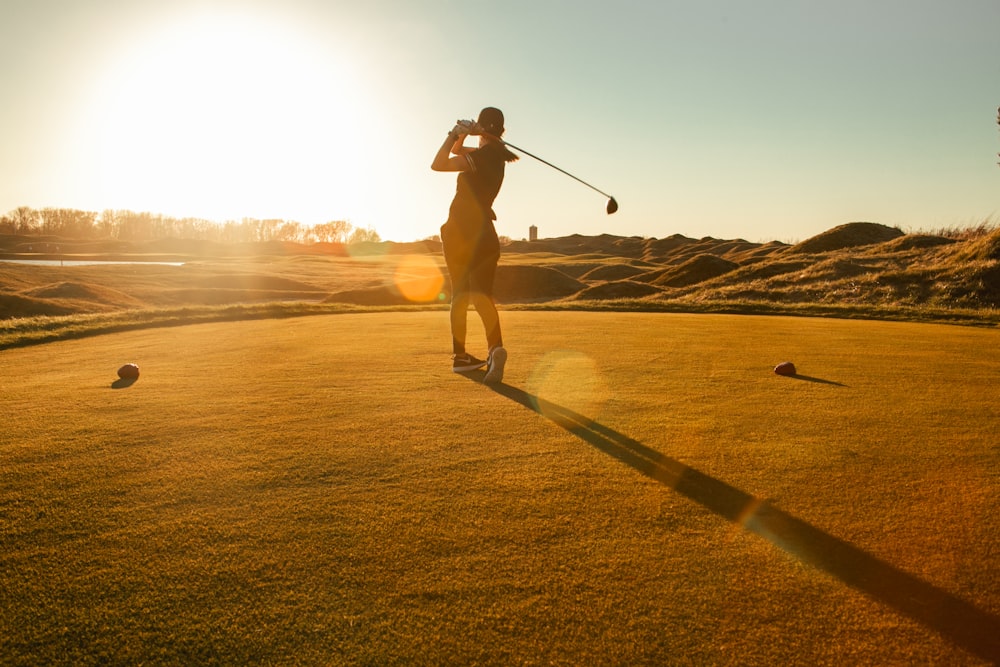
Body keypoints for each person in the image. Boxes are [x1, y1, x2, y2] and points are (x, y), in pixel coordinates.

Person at [431, 106, 518, 383]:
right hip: (486, 234)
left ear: (482, 129)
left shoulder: (481, 157)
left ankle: (460, 357)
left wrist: (453, 133)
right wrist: (467, 135)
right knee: (482, 296)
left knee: (459, 295)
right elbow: (460, 152)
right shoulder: (497, 156)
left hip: (461, 232)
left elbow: (439, 163)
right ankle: (495, 349)